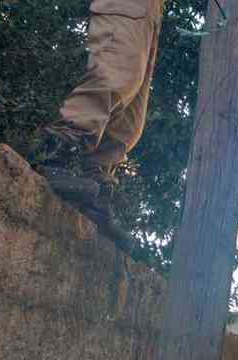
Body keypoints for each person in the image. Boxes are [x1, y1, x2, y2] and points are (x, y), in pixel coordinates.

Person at [36, 0, 163, 228]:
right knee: (115, 74)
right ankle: (56, 155)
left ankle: (96, 183)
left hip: (151, 11)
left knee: (130, 122)